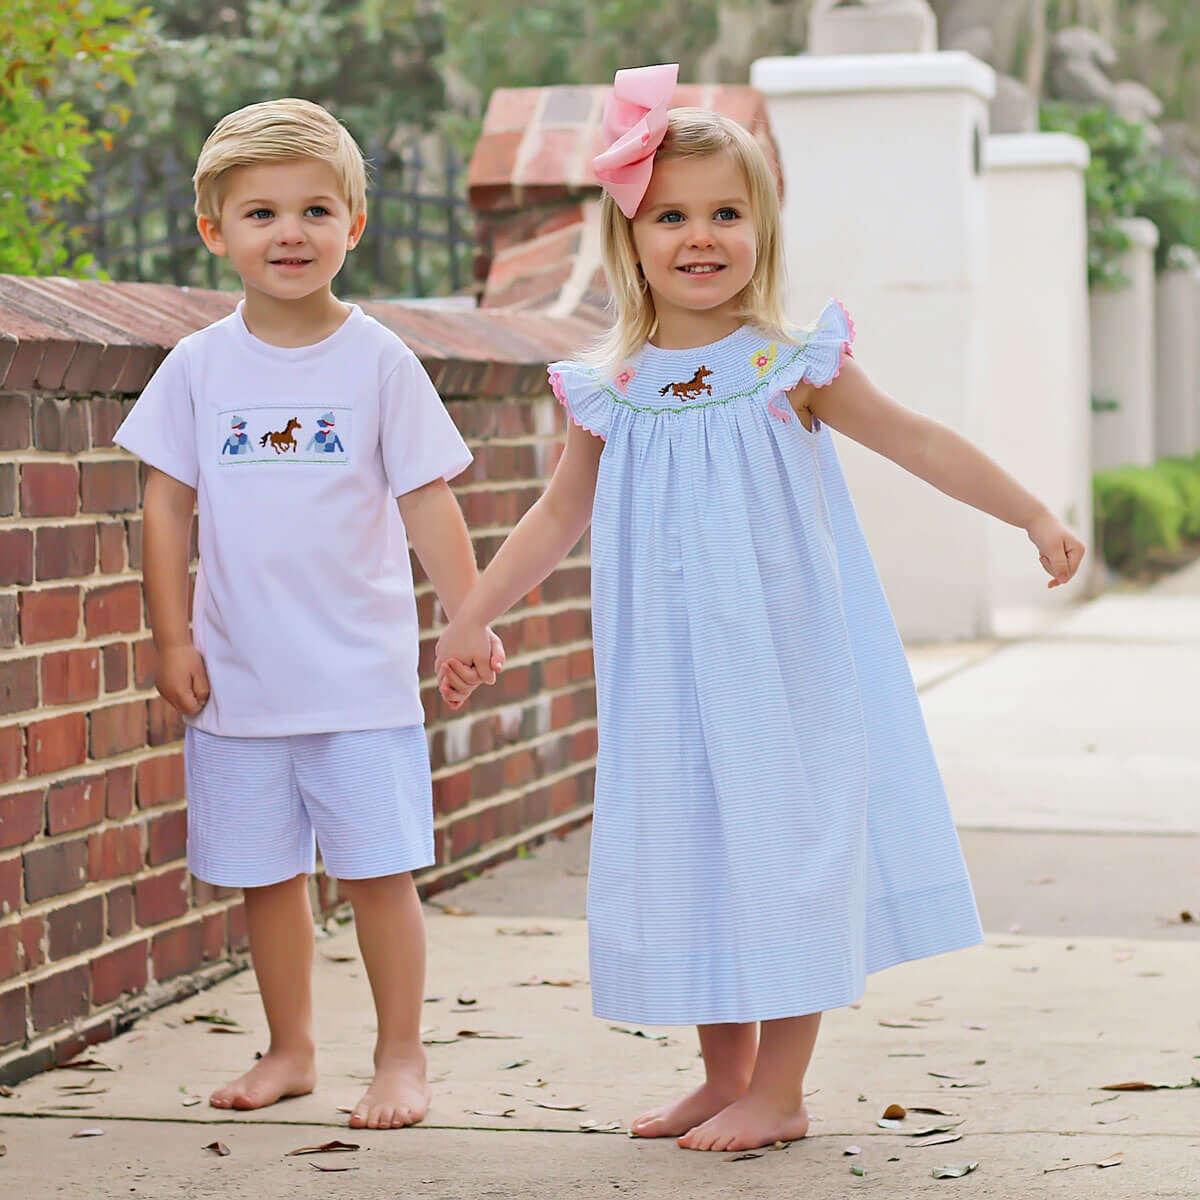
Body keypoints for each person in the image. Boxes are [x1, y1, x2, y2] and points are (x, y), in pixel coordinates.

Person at [435, 63, 1085, 1153]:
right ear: (630, 237)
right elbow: (556, 517)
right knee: (694, 844)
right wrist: (471, 612)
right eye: (673, 214)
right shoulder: (614, 385)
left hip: (780, 662)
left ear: (763, 227)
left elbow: (917, 438)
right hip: (667, 670)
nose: (702, 235)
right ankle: (720, 1073)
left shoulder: (791, 366)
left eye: (726, 213)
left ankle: (780, 1090)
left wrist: (1029, 511)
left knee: (785, 847)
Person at [113, 98, 500, 1130]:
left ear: (355, 226)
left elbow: (428, 497)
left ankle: (402, 1058)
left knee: (379, 874)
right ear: (214, 231)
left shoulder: (377, 362)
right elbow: (165, 505)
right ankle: (288, 1049)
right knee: (265, 877)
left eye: (316, 210)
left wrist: (468, 616)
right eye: (261, 213)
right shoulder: (198, 368)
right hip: (238, 677)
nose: (290, 233)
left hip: (359, 681)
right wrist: (171, 636)